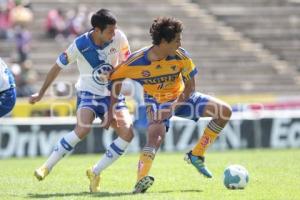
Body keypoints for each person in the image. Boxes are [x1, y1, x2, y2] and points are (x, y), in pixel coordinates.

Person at [106, 17, 232, 193]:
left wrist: (171, 108)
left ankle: (196, 154)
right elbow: (114, 78)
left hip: (182, 98)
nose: (180, 43)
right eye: (177, 40)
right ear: (164, 42)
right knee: (155, 136)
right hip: (156, 101)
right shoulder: (136, 61)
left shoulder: (181, 56)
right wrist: (111, 110)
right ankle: (140, 181)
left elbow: (190, 88)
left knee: (224, 112)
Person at [29, 9, 134, 193]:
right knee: (82, 129)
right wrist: (40, 93)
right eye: (109, 31)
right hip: (88, 93)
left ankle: (95, 171)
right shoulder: (79, 45)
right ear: (97, 30)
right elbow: (56, 67)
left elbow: (128, 64)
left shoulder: (119, 38)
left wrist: (111, 109)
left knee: (128, 133)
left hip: (112, 92)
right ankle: (47, 166)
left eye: (115, 29)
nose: (113, 34)